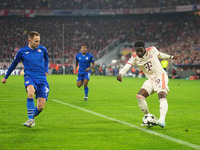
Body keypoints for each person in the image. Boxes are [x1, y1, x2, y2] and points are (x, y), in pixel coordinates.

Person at [117, 40, 178, 128]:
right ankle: (149, 118)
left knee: (161, 94)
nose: (139, 52)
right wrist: (120, 74)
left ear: (144, 48)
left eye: (141, 50)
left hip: (160, 76)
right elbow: (128, 65)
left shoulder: (152, 50)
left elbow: (160, 55)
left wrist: (171, 57)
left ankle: (162, 120)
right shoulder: (134, 57)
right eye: (137, 51)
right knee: (140, 97)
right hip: (150, 79)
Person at [1, 31, 49, 128]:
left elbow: (47, 59)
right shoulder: (22, 52)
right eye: (36, 41)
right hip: (30, 77)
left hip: (42, 79)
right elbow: (14, 64)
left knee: (40, 106)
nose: (38, 43)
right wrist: (6, 77)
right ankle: (30, 119)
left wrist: (46, 70)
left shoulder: (42, 49)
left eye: (39, 41)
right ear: (29, 40)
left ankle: (32, 117)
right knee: (30, 92)